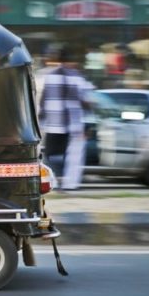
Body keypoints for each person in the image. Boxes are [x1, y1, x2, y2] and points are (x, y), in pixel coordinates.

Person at [38, 48, 91, 191]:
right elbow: (86, 101)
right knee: (73, 157)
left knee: (49, 155)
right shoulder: (77, 76)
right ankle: (70, 184)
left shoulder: (45, 76)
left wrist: (40, 120)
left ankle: (53, 183)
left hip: (52, 124)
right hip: (73, 125)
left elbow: (40, 100)